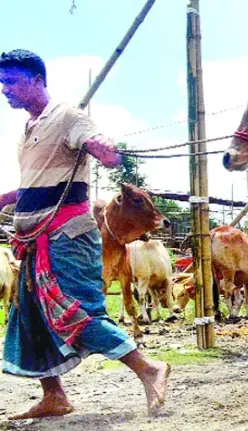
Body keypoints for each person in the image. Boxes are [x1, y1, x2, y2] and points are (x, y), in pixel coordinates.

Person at [0, 49, 170, 419]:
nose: (4, 89)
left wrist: (105, 150)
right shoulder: (28, 129)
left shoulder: (66, 116)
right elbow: (34, 184)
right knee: (29, 316)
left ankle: (148, 368)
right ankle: (54, 396)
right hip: (33, 240)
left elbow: (95, 142)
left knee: (74, 311)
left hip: (65, 237)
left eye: (11, 81)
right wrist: (5, 200)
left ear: (37, 80)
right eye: (2, 82)